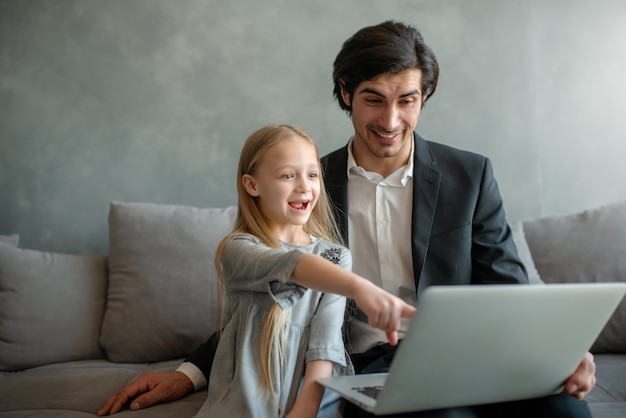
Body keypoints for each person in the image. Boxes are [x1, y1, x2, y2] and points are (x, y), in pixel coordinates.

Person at [98, 21, 596, 418]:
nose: (390, 121)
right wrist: (188, 373)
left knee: (566, 412)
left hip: (469, 353)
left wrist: (559, 351)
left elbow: (508, 287)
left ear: (424, 97)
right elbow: (265, 297)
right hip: (365, 366)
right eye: (373, 99)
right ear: (345, 93)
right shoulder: (305, 187)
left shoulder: (470, 175)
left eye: (408, 100)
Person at [198, 124, 416, 417]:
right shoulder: (237, 249)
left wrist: (306, 408)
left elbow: (325, 345)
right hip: (244, 403)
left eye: (312, 174)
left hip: (312, 400)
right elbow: (293, 266)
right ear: (252, 185)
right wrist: (361, 288)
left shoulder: (336, 256)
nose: (304, 187)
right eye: (288, 175)